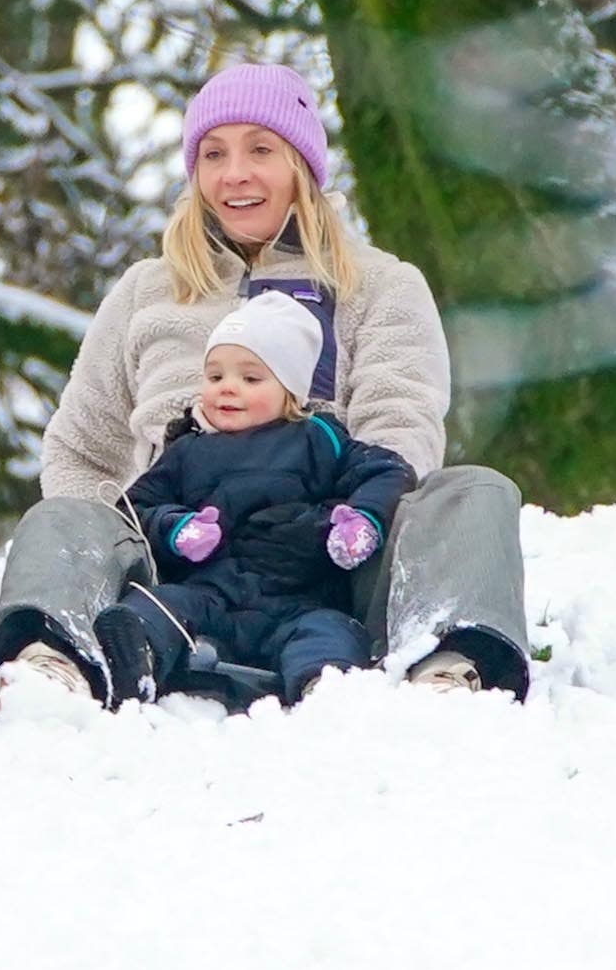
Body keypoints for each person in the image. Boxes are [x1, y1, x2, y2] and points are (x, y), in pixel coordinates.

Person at [0, 61, 530, 705]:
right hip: (175, 561)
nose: (234, 174)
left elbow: (398, 427)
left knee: (474, 490)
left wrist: (339, 527)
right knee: (63, 513)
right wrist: (138, 537)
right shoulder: (148, 290)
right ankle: (57, 656)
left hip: (333, 559)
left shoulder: (379, 284)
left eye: (260, 150)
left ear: (302, 164)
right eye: (213, 154)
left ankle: (450, 661)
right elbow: (81, 448)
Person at [88, 292, 413, 708]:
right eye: (215, 376)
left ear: (290, 390)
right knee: (158, 606)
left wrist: (360, 521)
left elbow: (386, 470)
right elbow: (134, 508)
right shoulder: (187, 450)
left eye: (251, 378)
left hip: (298, 598)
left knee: (329, 631)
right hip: (210, 594)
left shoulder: (320, 439)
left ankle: (323, 687)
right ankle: (136, 655)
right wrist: (176, 528)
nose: (228, 389)